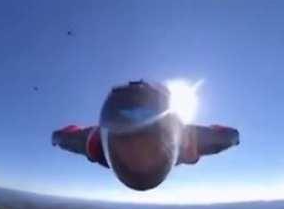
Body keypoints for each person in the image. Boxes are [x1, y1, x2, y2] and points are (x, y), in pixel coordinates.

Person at [52, 80, 239, 191]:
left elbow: (70, 137)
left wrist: (60, 137)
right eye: (152, 147)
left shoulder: (95, 145)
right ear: (174, 141)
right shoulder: (188, 142)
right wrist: (229, 137)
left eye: (126, 138)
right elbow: (224, 137)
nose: (137, 142)